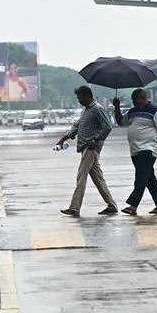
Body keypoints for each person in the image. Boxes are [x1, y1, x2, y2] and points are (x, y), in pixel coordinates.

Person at [113, 89, 157, 216]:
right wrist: (117, 107)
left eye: (135, 100)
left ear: (142, 98)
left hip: (149, 148)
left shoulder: (154, 110)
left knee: (140, 177)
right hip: (135, 149)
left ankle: (133, 205)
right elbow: (120, 122)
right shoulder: (132, 111)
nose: (134, 102)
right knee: (148, 177)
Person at [55, 85, 117, 217]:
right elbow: (77, 126)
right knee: (99, 179)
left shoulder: (97, 109)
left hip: (90, 148)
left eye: (80, 97)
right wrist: (64, 138)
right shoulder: (86, 110)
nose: (78, 100)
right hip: (85, 148)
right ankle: (112, 205)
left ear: (87, 96)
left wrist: (96, 140)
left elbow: (107, 127)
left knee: (81, 177)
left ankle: (74, 207)